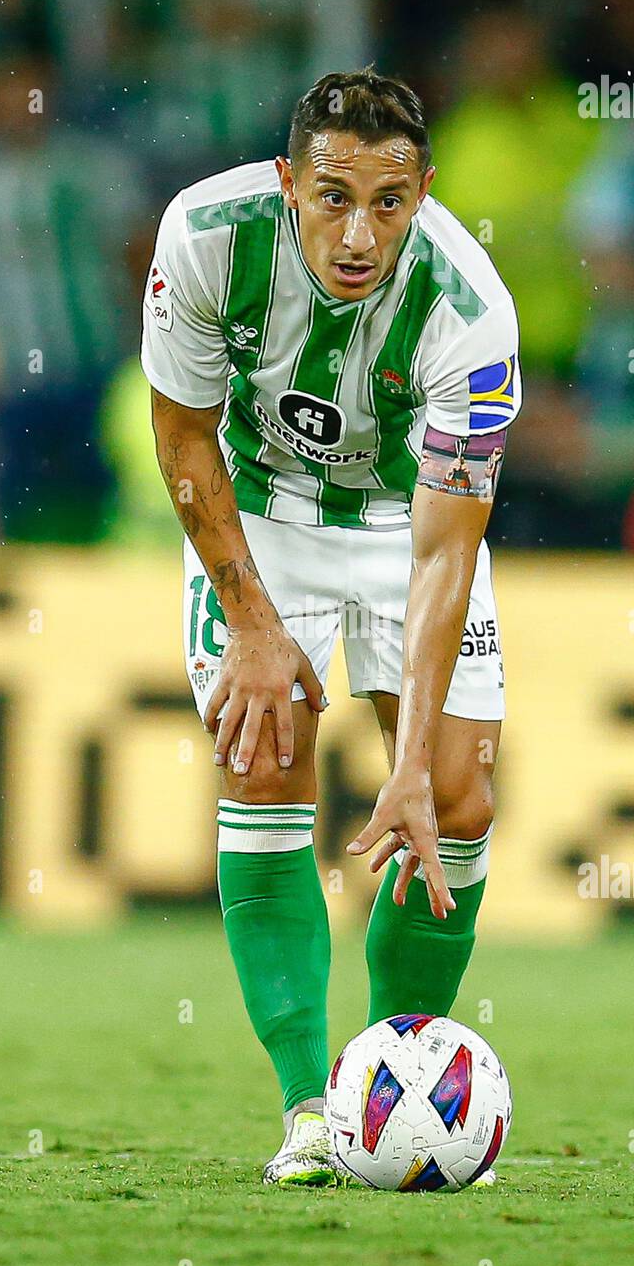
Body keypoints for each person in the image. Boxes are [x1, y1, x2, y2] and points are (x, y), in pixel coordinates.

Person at [142, 70, 521, 1186]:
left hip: (406, 525)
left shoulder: (470, 310)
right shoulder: (205, 233)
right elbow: (181, 442)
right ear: (284, 183)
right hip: (256, 514)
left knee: (454, 798)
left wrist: (402, 768)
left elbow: (448, 547)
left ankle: (392, 1087)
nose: (360, 233)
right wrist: (255, 625)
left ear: (424, 192)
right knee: (260, 761)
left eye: (389, 203)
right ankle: (312, 1106)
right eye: (331, 196)